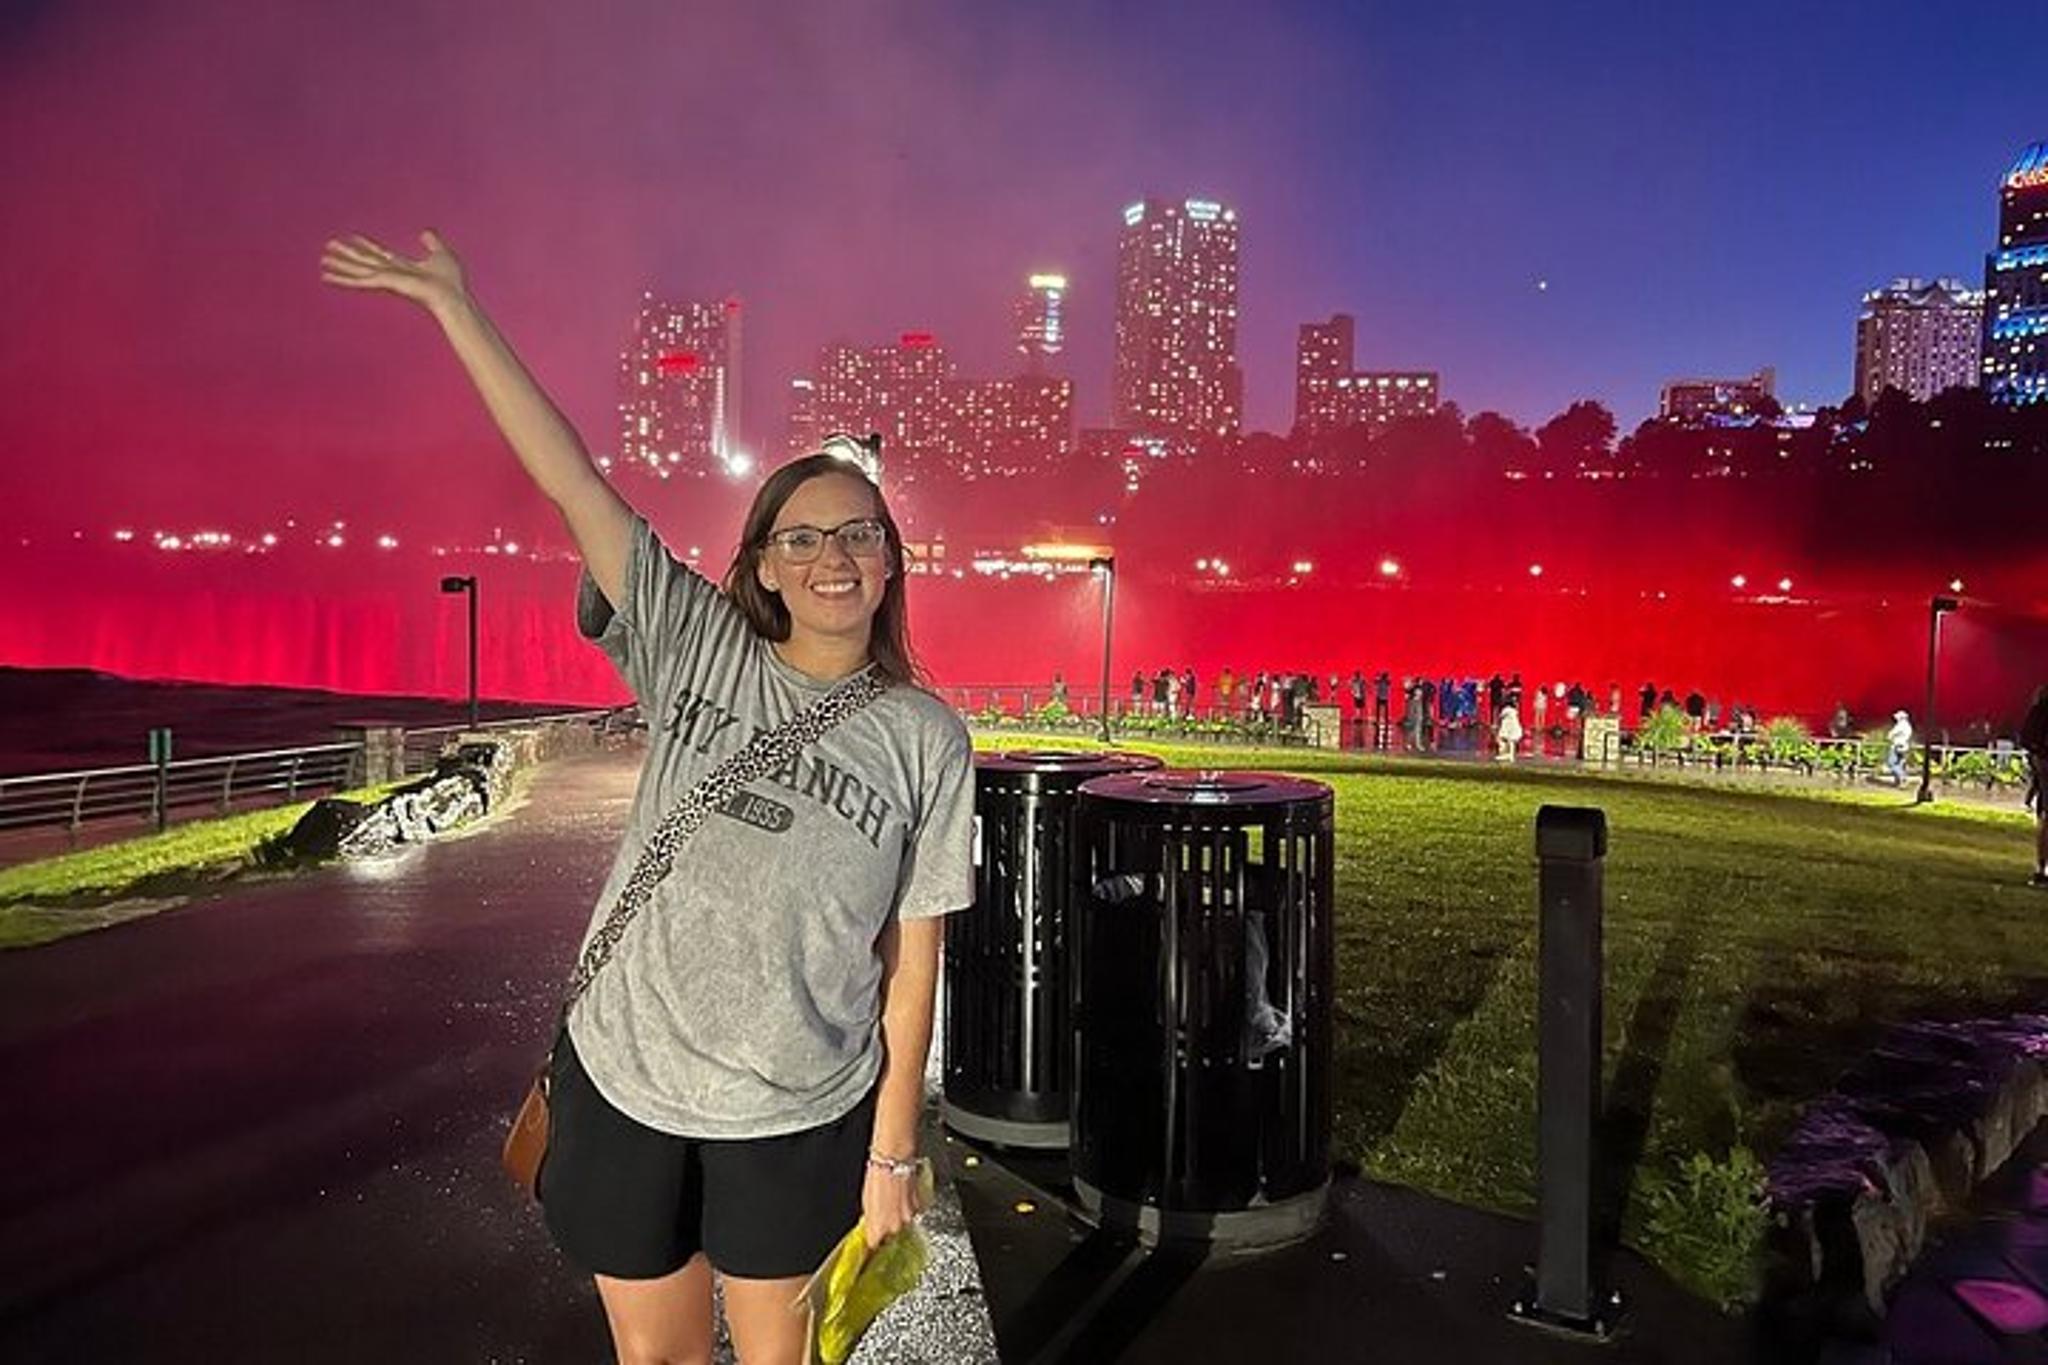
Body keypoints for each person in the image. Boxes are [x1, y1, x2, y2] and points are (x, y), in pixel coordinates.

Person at [322, 230, 974, 1365]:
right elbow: (570, 476)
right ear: (763, 565)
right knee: (657, 1356)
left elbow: (911, 966)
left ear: (888, 562)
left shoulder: (925, 738)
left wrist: (891, 1153)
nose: (832, 556)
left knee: (779, 1359)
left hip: (798, 1110)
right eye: (801, 536)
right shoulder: (698, 649)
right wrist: (453, 306)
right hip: (628, 1078)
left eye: (858, 534)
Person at [2021, 685, 2048, 887]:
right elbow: (2028, 738)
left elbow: (2027, 738)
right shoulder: (2041, 710)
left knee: (2045, 817)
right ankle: (2042, 869)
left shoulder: (2039, 709)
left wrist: (2037, 755)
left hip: (2044, 762)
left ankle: (2041, 869)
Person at [1886, 709, 1913, 786]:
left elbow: (1891, 734)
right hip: (1905, 746)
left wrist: (1890, 737)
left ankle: (1902, 777)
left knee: (1891, 763)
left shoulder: (1900, 725)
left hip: (1897, 745)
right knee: (1900, 763)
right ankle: (1899, 781)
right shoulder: (1908, 726)